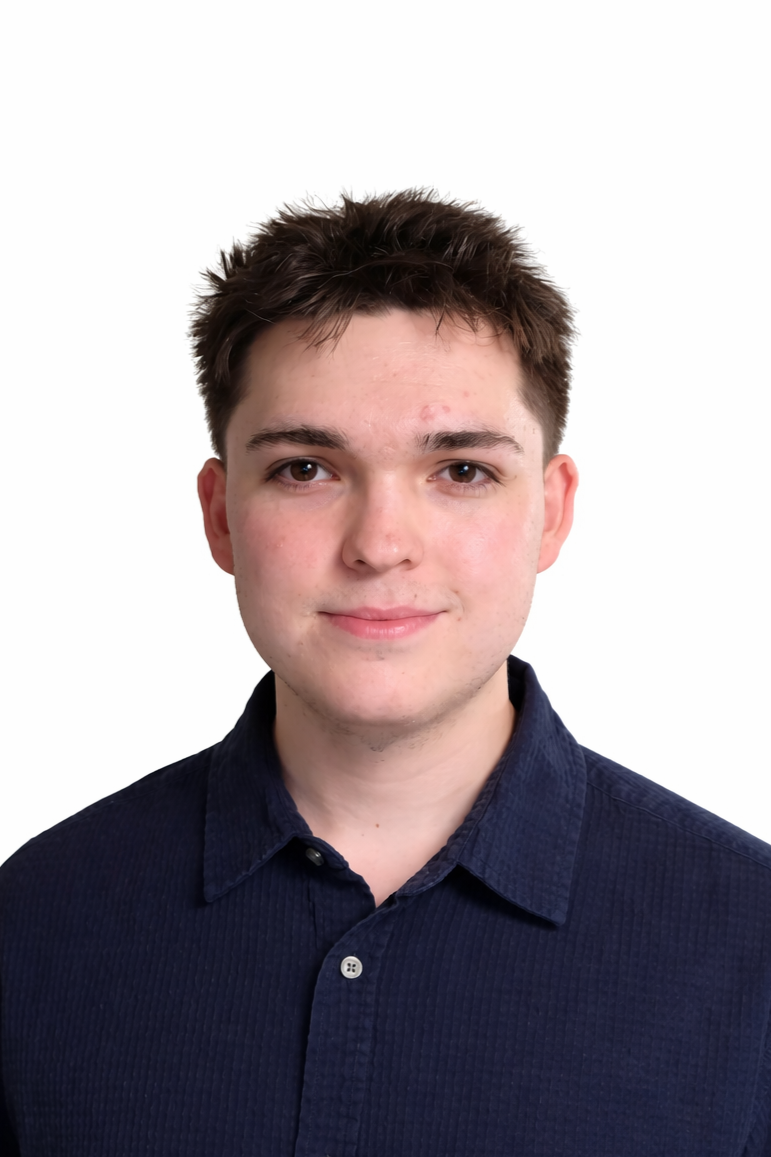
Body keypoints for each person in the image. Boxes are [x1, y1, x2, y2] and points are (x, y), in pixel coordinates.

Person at [1, 190, 770, 1157]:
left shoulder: (748, 944)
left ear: (551, 510)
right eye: (305, 468)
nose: (379, 544)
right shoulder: (33, 924)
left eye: (460, 471)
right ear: (221, 515)